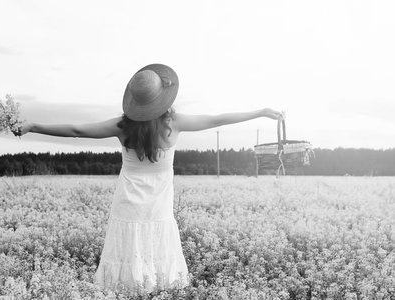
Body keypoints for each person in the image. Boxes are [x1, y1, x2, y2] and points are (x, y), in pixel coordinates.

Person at [18, 63, 283, 293]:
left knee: (129, 242)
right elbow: (217, 120)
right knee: (156, 241)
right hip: (158, 203)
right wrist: (259, 111)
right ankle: (157, 288)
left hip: (128, 200)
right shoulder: (174, 124)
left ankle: (125, 288)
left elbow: (76, 129)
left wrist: (33, 126)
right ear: (162, 99)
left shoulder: (122, 126)